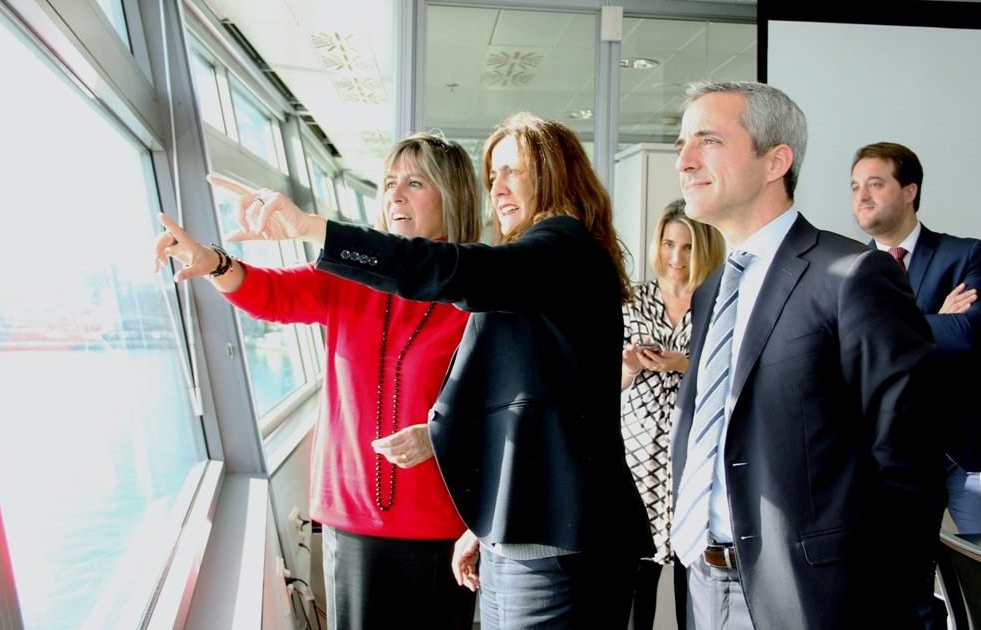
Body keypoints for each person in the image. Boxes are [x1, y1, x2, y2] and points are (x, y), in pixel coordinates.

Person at [205, 111, 655, 628]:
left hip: (558, 540)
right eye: (493, 176)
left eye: (513, 170)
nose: (499, 188)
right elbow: (526, 399)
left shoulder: (560, 248)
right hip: (526, 530)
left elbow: (451, 270)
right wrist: (484, 528)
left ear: (555, 172)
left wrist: (311, 229)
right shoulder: (544, 263)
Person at [153, 132, 482, 630]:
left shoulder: (476, 292)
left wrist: (440, 435)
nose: (394, 194)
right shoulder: (351, 275)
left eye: (415, 183)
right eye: (389, 182)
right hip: (351, 518)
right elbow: (272, 294)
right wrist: (214, 263)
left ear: (453, 196)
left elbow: (499, 405)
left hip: (439, 524)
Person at [667, 81, 942, 629]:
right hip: (702, 582)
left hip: (815, 598)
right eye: (680, 144)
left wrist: (890, 604)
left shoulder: (851, 277)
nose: (685, 161)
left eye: (708, 141)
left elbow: (908, 461)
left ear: (777, 161)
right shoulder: (711, 289)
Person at [851, 141, 981, 536]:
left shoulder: (965, 254)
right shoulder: (846, 270)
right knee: (904, 584)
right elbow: (851, 349)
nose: (862, 196)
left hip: (971, 447)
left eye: (875, 184)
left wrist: (887, 330)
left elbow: (967, 334)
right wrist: (933, 321)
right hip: (892, 454)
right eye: (855, 187)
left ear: (910, 192)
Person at [620, 200, 725, 630]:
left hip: (694, 455)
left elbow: (730, 373)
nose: (676, 258)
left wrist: (682, 364)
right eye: (669, 244)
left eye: (686, 247)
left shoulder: (716, 300)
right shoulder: (634, 297)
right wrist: (629, 363)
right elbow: (607, 381)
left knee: (692, 578)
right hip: (637, 457)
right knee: (635, 583)